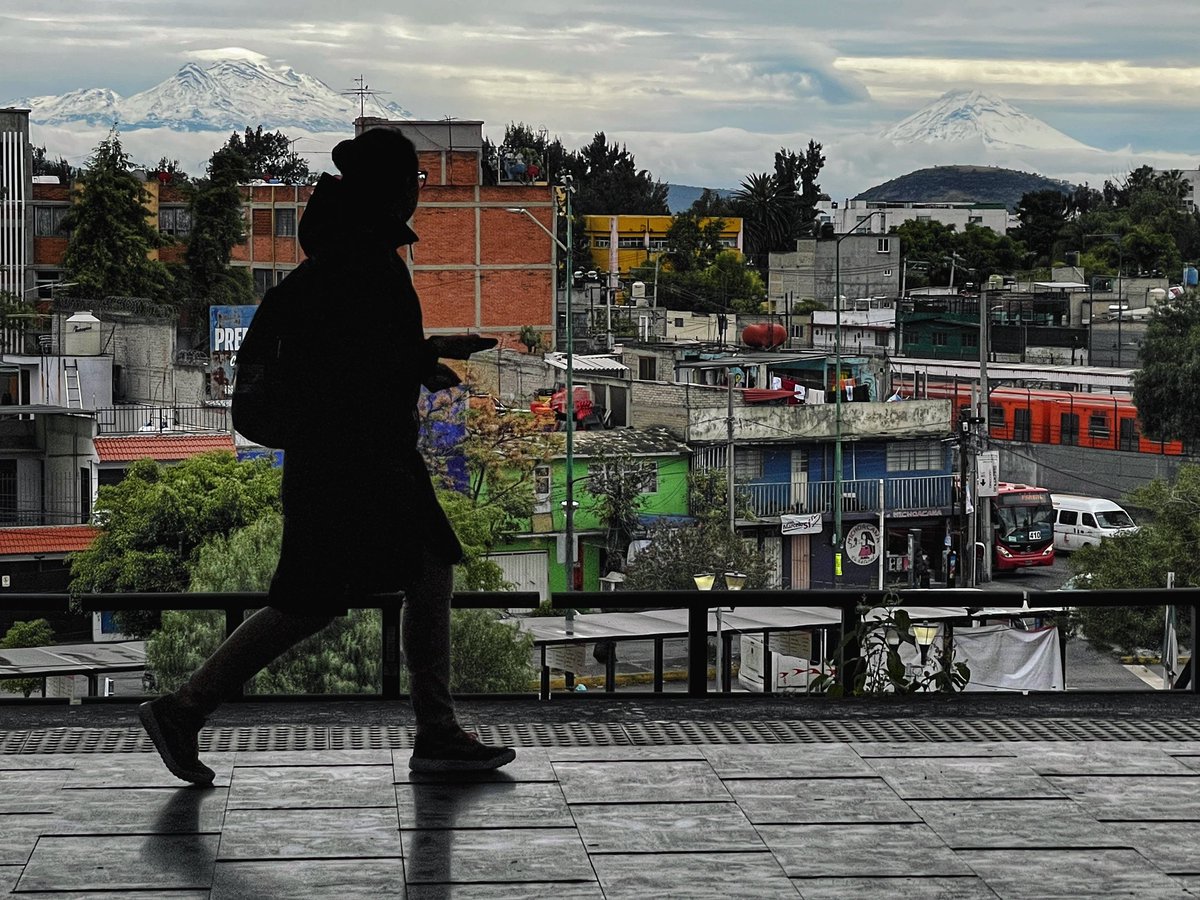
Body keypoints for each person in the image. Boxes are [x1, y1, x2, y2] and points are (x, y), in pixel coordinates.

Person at [139, 128, 514, 785]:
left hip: (339, 463)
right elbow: (358, 369)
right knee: (401, 577)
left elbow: (351, 362)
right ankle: (435, 734)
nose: (415, 193)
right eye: (413, 180)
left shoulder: (340, 259)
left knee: (326, 597)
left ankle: (188, 709)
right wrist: (423, 361)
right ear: (391, 187)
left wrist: (422, 359)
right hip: (358, 465)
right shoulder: (364, 264)